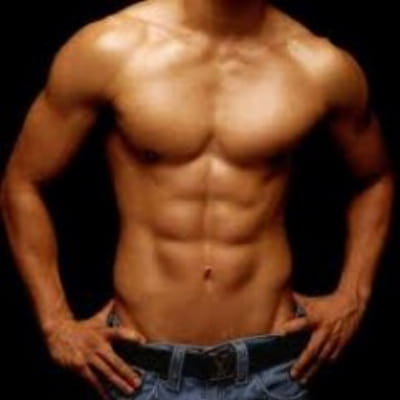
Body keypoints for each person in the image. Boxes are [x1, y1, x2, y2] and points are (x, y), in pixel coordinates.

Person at [0, 0, 394, 399]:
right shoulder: (112, 48)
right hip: (137, 372)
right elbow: (23, 181)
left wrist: (354, 295)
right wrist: (56, 323)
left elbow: (376, 178)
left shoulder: (319, 66)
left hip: (274, 369)